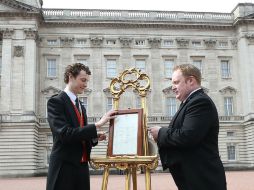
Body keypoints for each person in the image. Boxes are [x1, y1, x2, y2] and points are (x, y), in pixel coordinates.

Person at [149, 64, 227, 190]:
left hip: (203, 179)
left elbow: (187, 136)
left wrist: (161, 132)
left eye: (176, 82)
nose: (172, 87)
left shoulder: (200, 102)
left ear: (191, 81)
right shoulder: (190, 102)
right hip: (195, 177)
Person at [46, 63, 116, 190]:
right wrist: (97, 125)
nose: (85, 84)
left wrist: (93, 137)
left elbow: (78, 134)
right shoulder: (56, 102)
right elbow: (64, 134)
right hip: (64, 167)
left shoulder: (80, 105)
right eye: (83, 80)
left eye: (87, 81)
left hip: (82, 167)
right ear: (71, 77)